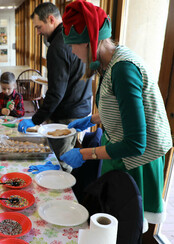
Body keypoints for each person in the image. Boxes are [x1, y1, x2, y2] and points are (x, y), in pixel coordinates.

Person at [59, 0, 172, 224]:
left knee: (124, 225)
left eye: (75, 44)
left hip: (137, 161)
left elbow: (136, 143)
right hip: (120, 152)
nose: (72, 51)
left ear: (92, 41)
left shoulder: (123, 69)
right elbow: (124, 111)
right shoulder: (109, 63)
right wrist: (91, 119)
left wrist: (83, 154)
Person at [18, 2, 92, 168]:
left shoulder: (58, 46)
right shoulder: (71, 38)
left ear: (51, 19)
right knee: (64, 158)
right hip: (80, 106)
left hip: (68, 113)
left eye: (39, 27)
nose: (37, 32)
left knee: (61, 162)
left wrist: (36, 119)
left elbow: (56, 92)